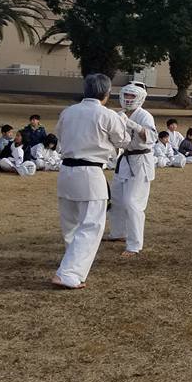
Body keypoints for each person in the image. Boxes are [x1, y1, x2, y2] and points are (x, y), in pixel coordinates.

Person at [52, 73, 147, 289]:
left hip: (66, 171)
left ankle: (71, 262)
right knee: (92, 225)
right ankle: (69, 273)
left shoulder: (68, 112)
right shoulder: (107, 115)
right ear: (106, 93)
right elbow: (122, 140)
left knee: (71, 224)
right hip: (90, 173)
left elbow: (59, 135)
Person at [105, 82, 157, 257]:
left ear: (140, 98)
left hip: (141, 161)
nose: (128, 99)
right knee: (117, 199)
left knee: (132, 203)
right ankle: (118, 232)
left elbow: (152, 137)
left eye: (131, 96)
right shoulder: (119, 114)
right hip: (125, 159)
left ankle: (134, 244)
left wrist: (136, 126)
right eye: (126, 96)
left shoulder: (145, 116)